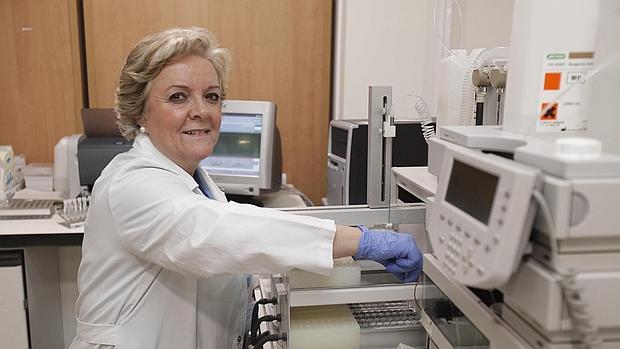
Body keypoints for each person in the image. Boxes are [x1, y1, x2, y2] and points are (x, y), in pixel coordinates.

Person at [70, 27, 422, 349]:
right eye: (178, 97)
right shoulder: (131, 184)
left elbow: (232, 242)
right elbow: (218, 234)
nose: (201, 111)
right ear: (139, 113)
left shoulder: (195, 179)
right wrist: (360, 240)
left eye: (211, 96)